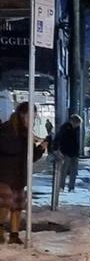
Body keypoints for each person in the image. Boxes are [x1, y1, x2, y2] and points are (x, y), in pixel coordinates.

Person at [0, 102, 47, 244]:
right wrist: (26, 140)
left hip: (19, 176)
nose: (32, 120)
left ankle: (14, 234)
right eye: (30, 116)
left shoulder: (26, 133)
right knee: (5, 204)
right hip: (4, 175)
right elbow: (9, 148)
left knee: (17, 206)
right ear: (23, 114)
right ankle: (0, 229)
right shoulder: (6, 129)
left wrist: (41, 148)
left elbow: (30, 157)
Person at [55, 114, 82, 192]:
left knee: (73, 171)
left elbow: (77, 140)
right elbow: (59, 138)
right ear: (73, 122)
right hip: (66, 151)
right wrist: (57, 149)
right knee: (64, 170)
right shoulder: (65, 128)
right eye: (77, 123)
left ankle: (71, 187)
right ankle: (61, 187)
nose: (77, 125)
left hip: (74, 152)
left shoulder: (77, 129)